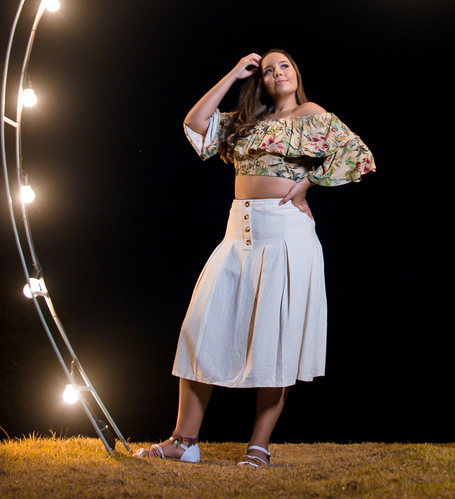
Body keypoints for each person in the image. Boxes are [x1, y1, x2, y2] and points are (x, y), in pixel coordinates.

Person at [136, 50, 374, 466]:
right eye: (268, 70)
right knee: (199, 329)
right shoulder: (248, 122)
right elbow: (195, 122)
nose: (277, 73)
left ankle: (258, 447)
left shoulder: (310, 112)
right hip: (237, 233)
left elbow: (359, 155)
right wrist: (232, 74)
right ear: (260, 81)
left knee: (275, 341)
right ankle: (184, 442)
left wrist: (308, 184)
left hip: (284, 233)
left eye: (284, 66)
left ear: (297, 74)